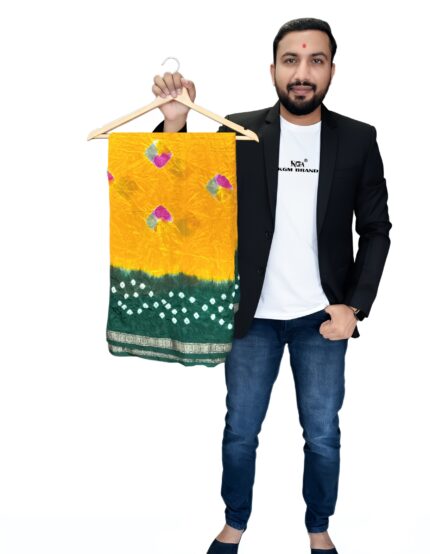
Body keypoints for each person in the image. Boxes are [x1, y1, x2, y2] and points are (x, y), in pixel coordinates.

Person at [151, 17, 392, 554]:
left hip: (322, 318)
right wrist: (175, 124)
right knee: (241, 429)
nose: (302, 72)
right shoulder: (238, 132)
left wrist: (355, 306)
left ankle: (319, 528)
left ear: (331, 70)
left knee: (323, 434)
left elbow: (376, 229)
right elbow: (187, 198)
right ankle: (234, 524)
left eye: (315, 61)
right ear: (273, 70)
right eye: (291, 61)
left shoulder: (358, 139)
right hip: (252, 316)